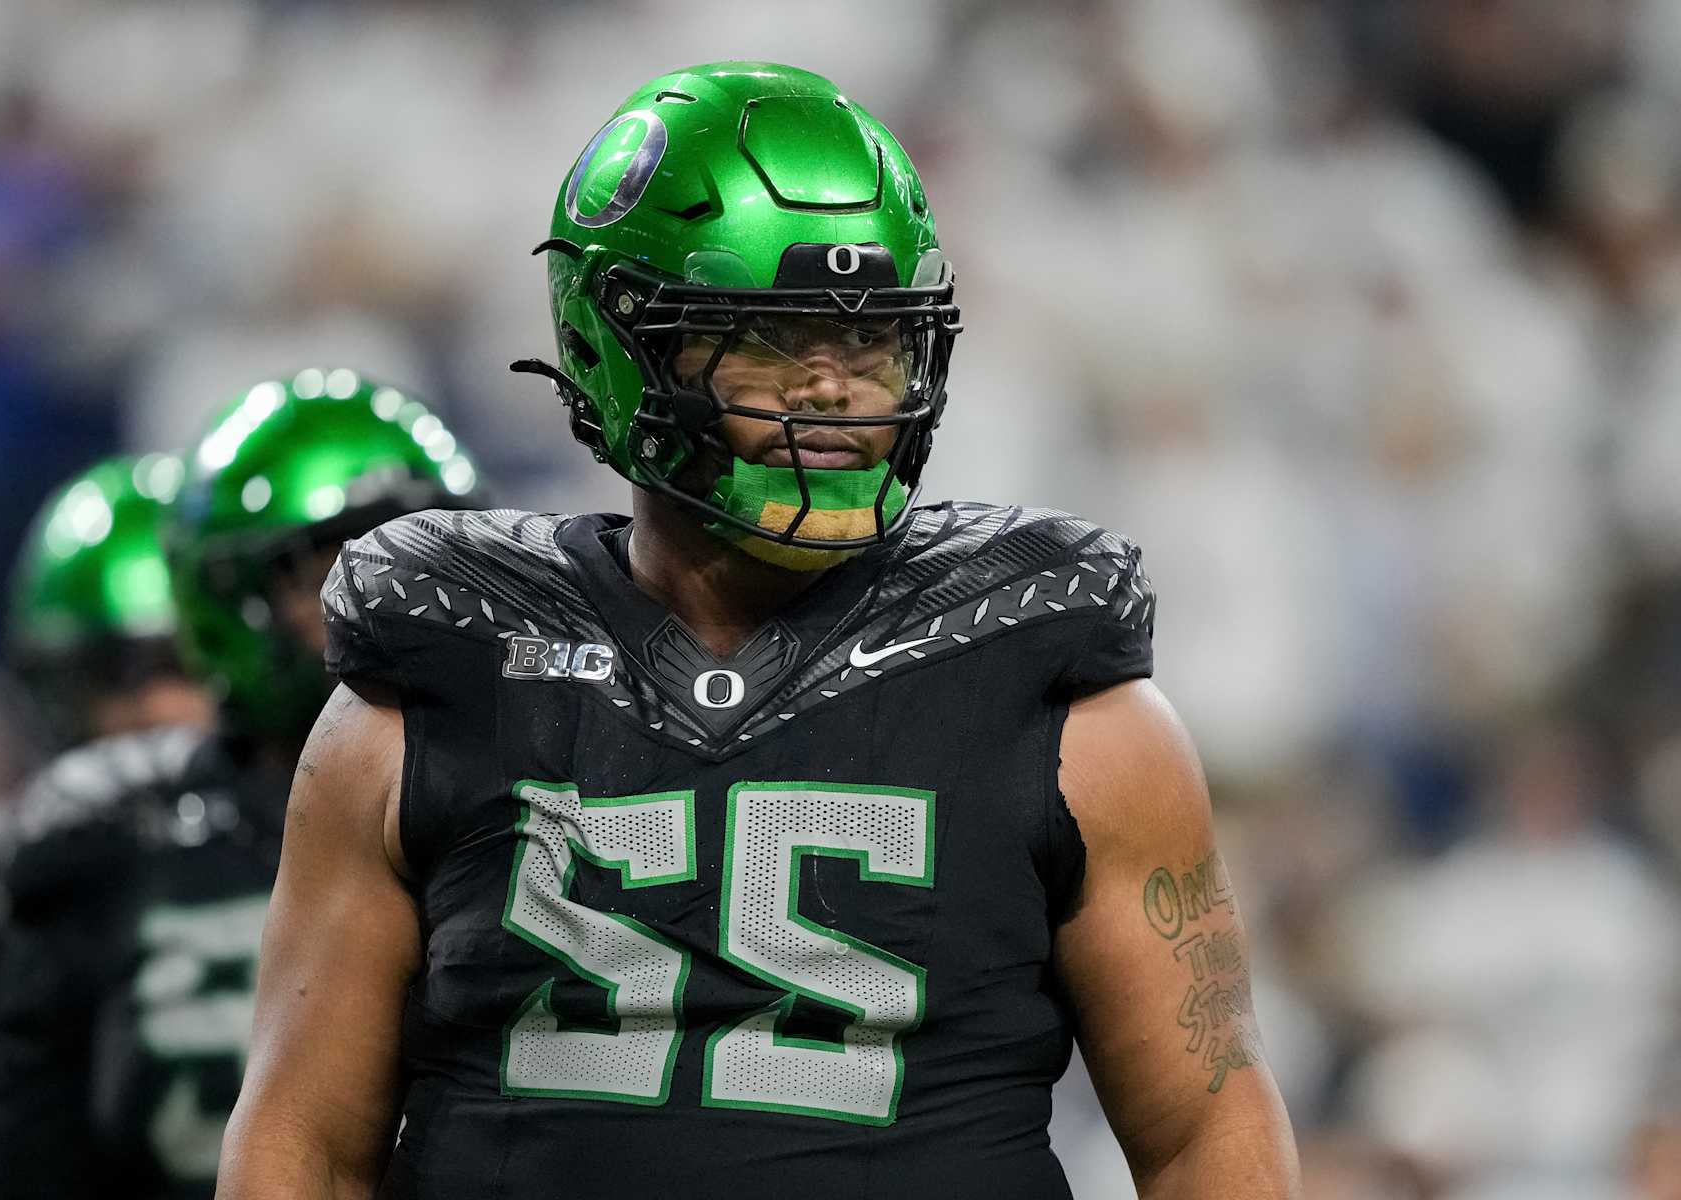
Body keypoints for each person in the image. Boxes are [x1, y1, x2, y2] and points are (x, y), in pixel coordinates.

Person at [220, 63, 1301, 1199]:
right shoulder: (427, 691)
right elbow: (308, 1148)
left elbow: (1204, 1139)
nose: (835, 388)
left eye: (876, 339)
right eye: (776, 339)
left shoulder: (1070, 707)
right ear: (627, 345)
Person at [0, 372, 484, 1199]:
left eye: (427, 554)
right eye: (335, 568)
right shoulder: (120, 830)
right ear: (231, 601)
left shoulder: (537, 784)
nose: (398, 601)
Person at [0, 453, 211, 1199]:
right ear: (57, 685)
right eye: (119, 672)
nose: (159, 709)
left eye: (184, 664)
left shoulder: (339, 862)